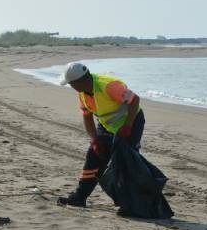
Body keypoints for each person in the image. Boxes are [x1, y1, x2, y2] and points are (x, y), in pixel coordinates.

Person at [56, 62, 144, 209]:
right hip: (106, 125)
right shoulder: (82, 93)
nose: (71, 87)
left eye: (71, 84)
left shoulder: (108, 86)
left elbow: (134, 100)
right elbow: (87, 116)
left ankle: (130, 201)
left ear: (81, 81)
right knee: (94, 156)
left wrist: (127, 126)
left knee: (125, 161)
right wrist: (94, 140)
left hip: (131, 123)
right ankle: (79, 197)